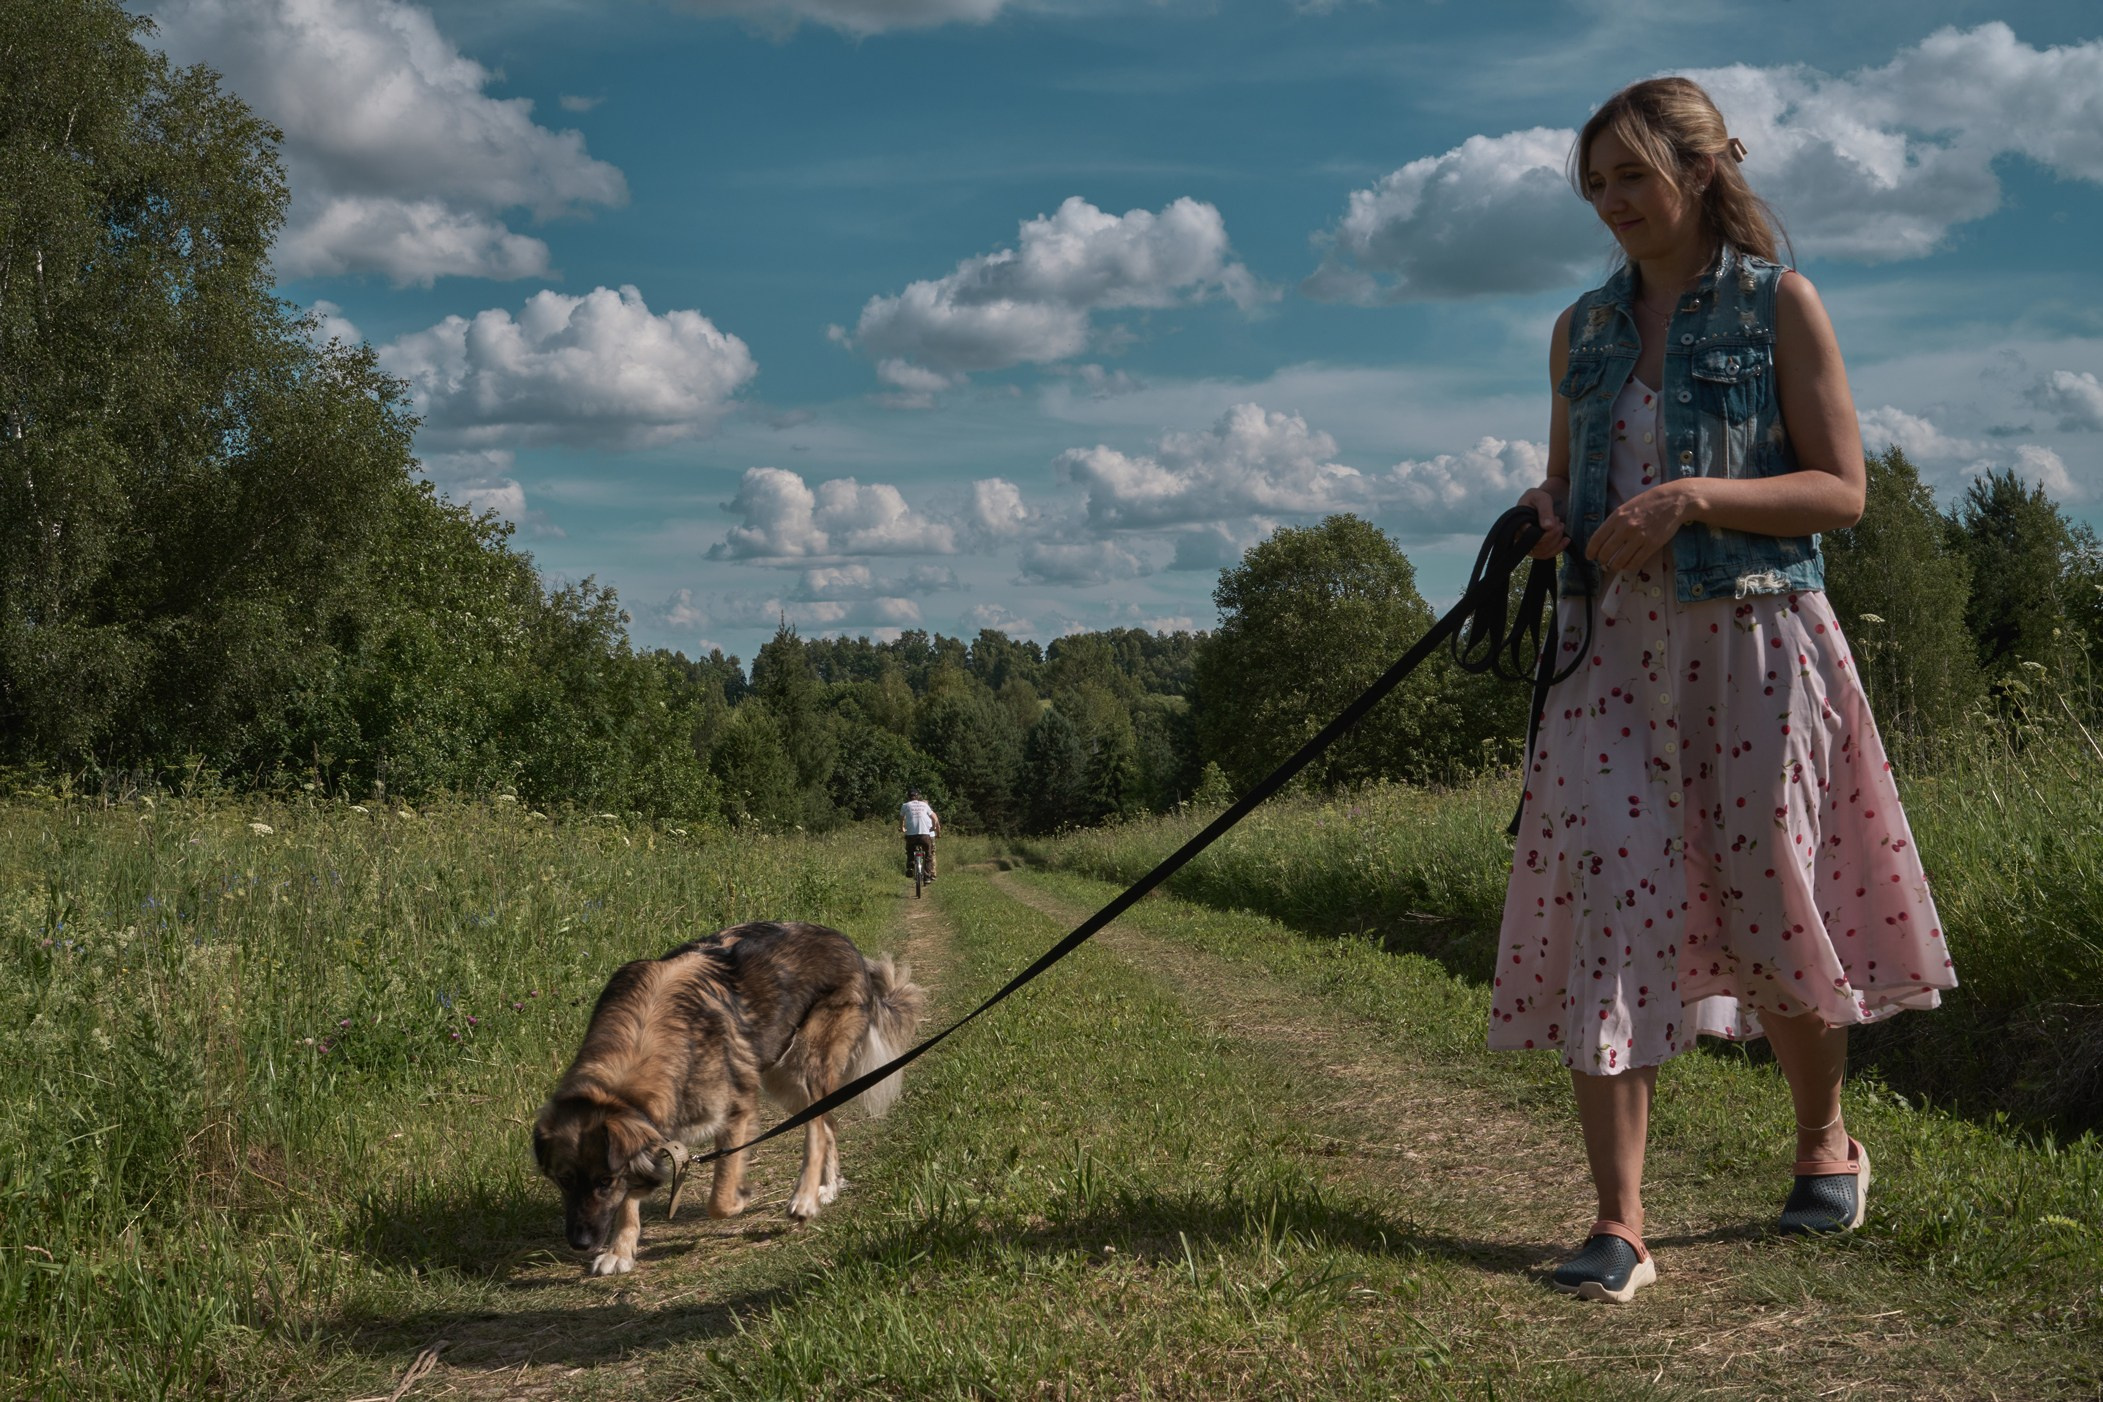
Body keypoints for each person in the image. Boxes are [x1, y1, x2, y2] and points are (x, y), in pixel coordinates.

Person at [1493, 77, 1957, 1303]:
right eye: (1596, 186)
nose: (1612, 205)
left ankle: (1822, 1141)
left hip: (1758, 645)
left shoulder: (1781, 307)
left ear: (1701, 171)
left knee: (1772, 889)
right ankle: (1618, 1222)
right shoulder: (1580, 332)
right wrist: (1548, 522)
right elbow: (1568, 489)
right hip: (1609, 665)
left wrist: (1697, 497)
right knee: (1608, 904)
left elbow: (1840, 491)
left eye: (1632, 177)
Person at [900, 788, 940, 882]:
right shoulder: (924, 805)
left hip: (911, 836)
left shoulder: (905, 805)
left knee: (909, 850)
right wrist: (933, 827)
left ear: (908, 797)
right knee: (928, 855)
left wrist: (901, 827)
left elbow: (901, 818)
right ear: (917, 796)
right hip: (925, 835)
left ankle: (910, 866)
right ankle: (927, 876)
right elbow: (934, 818)